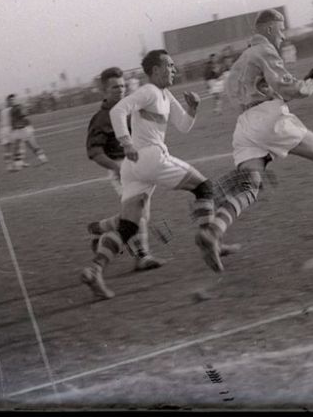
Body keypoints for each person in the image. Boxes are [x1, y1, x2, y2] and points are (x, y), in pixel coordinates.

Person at [194, 9, 313, 274]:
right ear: (270, 29)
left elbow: (270, 93)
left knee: (250, 187)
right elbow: (286, 90)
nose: (283, 36)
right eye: (281, 30)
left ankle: (213, 232)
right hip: (267, 120)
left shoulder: (242, 61)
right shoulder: (265, 51)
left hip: (245, 128)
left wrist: (310, 82)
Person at [80, 50, 225, 299]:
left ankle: (94, 270)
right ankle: (207, 236)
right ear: (156, 70)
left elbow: (183, 126)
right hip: (150, 157)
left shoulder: (165, 95)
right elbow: (117, 112)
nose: (174, 70)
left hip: (133, 167)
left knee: (128, 226)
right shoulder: (148, 91)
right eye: (169, 66)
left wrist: (193, 108)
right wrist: (126, 142)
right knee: (204, 187)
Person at [84, 67, 165, 271]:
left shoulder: (131, 109)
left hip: (140, 164)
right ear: (104, 90)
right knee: (137, 212)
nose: (119, 90)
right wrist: (116, 168)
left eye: (122, 86)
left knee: (142, 216)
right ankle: (142, 257)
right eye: (114, 87)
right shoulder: (101, 118)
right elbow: (94, 151)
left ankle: (101, 228)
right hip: (121, 167)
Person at [9, 94, 48, 168]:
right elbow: (13, 121)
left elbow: (24, 115)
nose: (12, 101)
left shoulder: (19, 107)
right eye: (10, 100)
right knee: (17, 147)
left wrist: (22, 112)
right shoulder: (11, 110)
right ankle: (19, 164)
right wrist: (13, 128)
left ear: (16, 100)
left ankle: (43, 158)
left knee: (32, 145)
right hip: (18, 130)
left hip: (24, 128)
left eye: (13, 100)